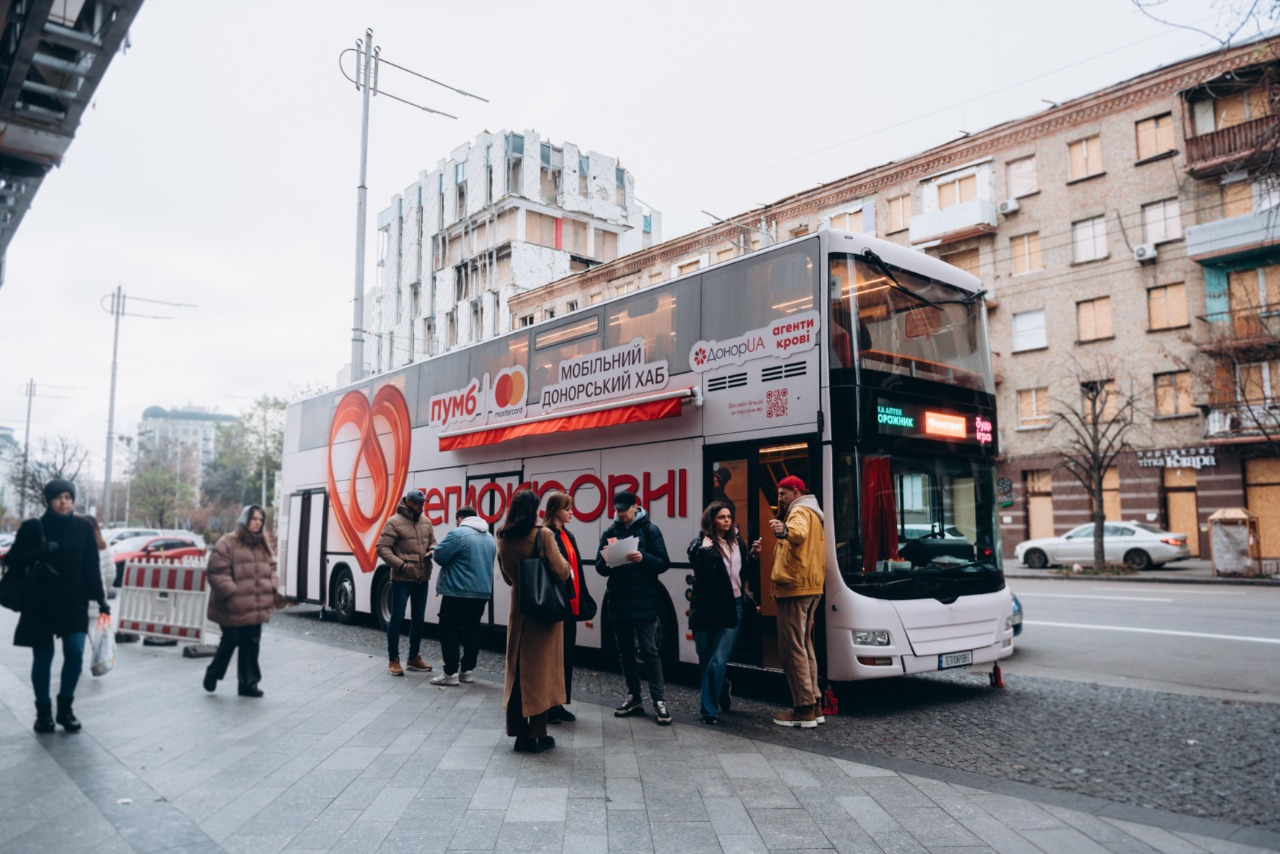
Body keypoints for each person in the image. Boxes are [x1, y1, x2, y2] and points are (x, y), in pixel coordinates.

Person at [7, 479, 108, 733]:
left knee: (75, 651)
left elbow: (91, 566)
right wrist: (38, 551)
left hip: (74, 600)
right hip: (40, 601)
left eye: (68, 496)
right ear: (48, 500)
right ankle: (43, 713)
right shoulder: (34, 527)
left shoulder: (83, 527)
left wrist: (101, 598)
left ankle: (65, 709)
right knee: (43, 656)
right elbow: (12, 559)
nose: (64, 502)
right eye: (58, 497)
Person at [496, 489, 570, 754]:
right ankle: (538, 734)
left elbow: (506, 577)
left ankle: (518, 734)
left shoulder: (504, 537)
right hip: (543, 612)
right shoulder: (543, 534)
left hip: (519, 611)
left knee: (517, 672)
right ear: (535, 509)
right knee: (541, 673)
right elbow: (561, 571)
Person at [595, 490, 672, 725]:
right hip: (618, 600)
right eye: (617, 511)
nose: (621, 515)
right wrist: (608, 560)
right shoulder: (610, 532)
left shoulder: (650, 530)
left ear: (635, 507)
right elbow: (599, 567)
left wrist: (643, 558)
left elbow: (663, 563)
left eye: (624, 511)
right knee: (625, 652)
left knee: (649, 650)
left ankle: (659, 701)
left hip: (645, 600)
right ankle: (634, 697)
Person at [687, 501, 759, 725]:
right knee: (705, 659)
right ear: (711, 520)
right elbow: (705, 575)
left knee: (718, 660)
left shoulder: (739, 543)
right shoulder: (699, 545)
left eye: (729, 516)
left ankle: (709, 711)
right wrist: (706, 553)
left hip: (733, 606)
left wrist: (754, 558)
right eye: (722, 517)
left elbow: (741, 575)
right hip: (707, 608)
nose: (727, 520)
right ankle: (722, 685)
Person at [203, 504, 279, 697]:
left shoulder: (263, 544)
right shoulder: (228, 542)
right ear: (245, 519)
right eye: (254, 519)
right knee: (231, 641)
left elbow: (271, 568)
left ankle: (248, 684)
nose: (257, 523)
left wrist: (272, 586)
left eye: (260, 520)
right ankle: (213, 673)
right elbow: (216, 571)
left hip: (255, 605)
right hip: (232, 607)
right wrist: (232, 593)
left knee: (251, 644)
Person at [769, 475, 826, 728]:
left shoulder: (798, 512)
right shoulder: (813, 512)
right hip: (810, 585)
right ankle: (815, 704)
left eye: (782, 494)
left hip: (795, 586)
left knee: (792, 649)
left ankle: (802, 709)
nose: (780, 499)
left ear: (795, 491)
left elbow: (797, 534)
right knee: (805, 645)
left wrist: (784, 530)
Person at [429, 506, 495, 686]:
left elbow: (440, 557)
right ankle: (467, 671)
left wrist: (433, 551)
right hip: (482, 592)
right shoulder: (490, 538)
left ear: (459, 518)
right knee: (472, 630)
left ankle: (450, 673)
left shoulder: (458, 534)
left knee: (448, 629)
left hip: (458, 591)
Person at [376, 488, 436, 677]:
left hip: (422, 577)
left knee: (419, 618)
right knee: (397, 617)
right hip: (402, 578)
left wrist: (433, 550)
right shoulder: (394, 522)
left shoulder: (426, 521)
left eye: (423, 503)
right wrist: (401, 566)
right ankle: (393, 660)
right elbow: (382, 548)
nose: (422, 506)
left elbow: (433, 542)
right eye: (418, 503)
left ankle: (413, 658)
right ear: (408, 502)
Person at [543, 491, 583, 724]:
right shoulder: (548, 534)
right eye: (567, 508)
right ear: (555, 509)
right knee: (554, 656)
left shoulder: (567, 535)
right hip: (557, 602)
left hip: (570, 602)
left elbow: (575, 567)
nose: (571, 512)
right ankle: (550, 704)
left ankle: (561, 702)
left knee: (567, 654)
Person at [86, 515, 116, 601]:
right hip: (99, 595)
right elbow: (110, 575)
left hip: (78, 598)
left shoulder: (76, 546)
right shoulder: (104, 547)